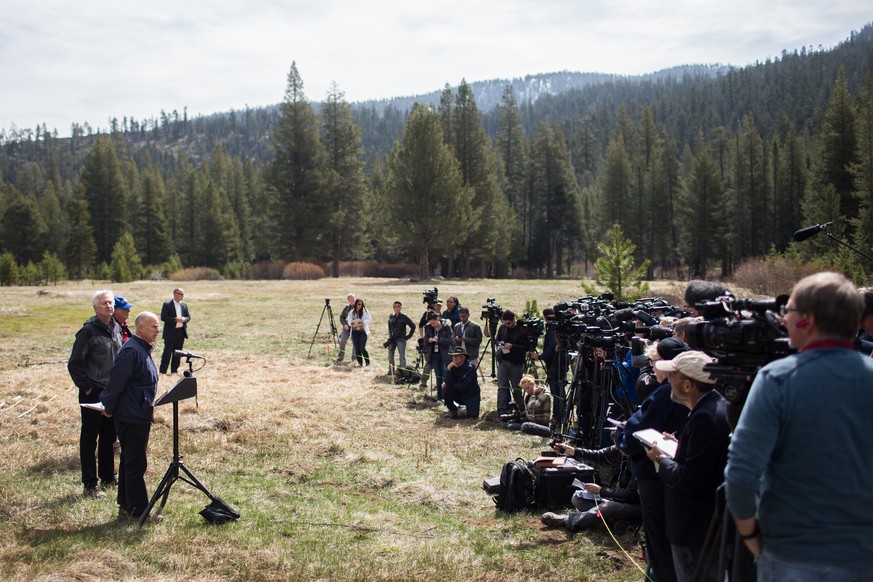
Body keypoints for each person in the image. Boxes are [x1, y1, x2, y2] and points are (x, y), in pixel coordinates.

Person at [725, 272, 873, 579]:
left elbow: (740, 472)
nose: (784, 319)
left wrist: (750, 537)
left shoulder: (777, 379)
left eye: (788, 311)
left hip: (792, 555)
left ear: (807, 320)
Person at [649, 350, 730, 582]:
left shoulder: (704, 418)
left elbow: (691, 479)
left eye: (673, 376)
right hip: (709, 527)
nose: (668, 381)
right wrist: (680, 446)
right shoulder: (717, 406)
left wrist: (661, 459)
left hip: (695, 530)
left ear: (687, 385)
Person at [617, 338, 690, 582]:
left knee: (659, 539)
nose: (650, 368)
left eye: (654, 362)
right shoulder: (682, 392)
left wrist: (621, 433)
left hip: (655, 474)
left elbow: (632, 436)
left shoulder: (664, 395)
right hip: (674, 473)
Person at [101, 311, 162, 523]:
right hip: (131, 416)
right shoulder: (131, 351)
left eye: (158, 326)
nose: (158, 330)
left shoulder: (141, 349)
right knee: (136, 464)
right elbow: (116, 381)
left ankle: (126, 507)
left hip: (138, 413)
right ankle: (138, 511)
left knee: (129, 461)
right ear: (141, 327)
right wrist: (108, 405)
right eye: (154, 326)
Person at [68, 289, 122, 498]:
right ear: (95, 307)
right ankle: (90, 484)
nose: (108, 306)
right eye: (103, 304)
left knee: (109, 437)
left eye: (110, 303)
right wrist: (88, 387)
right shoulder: (88, 331)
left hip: (111, 392)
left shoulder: (116, 327)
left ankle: (108, 477)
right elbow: (75, 364)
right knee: (90, 439)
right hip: (93, 392)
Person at [541, 444, 641, 534]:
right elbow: (599, 456)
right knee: (577, 498)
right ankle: (610, 520)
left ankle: (569, 520)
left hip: (635, 508)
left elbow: (631, 495)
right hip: (617, 500)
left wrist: (602, 491)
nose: (616, 447)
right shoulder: (621, 450)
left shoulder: (642, 463)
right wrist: (573, 451)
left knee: (605, 509)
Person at [494, 310, 528, 419]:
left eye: (508, 323)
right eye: (504, 323)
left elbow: (526, 347)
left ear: (514, 319)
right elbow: (496, 339)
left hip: (517, 362)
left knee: (517, 387)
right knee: (502, 386)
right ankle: (502, 410)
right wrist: (501, 344)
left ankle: (521, 410)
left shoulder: (522, 329)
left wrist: (512, 346)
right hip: (504, 360)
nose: (506, 325)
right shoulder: (503, 328)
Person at [442, 347, 480, 419]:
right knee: (445, 387)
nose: (454, 358)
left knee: (472, 417)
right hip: (458, 395)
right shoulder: (452, 367)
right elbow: (447, 383)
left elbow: (464, 386)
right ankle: (453, 410)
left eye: (457, 356)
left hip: (471, 397)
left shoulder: (470, 369)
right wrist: (449, 370)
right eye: (453, 356)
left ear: (463, 358)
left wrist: (451, 384)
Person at [159, 288, 190, 375]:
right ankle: (163, 370)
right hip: (170, 332)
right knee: (167, 352)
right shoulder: (167, 304)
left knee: (178, 352)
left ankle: (174, 370)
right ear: (174, 294)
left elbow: (188, 317)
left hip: (181, 332)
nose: (181, 295)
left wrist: (184, 319)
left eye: (182, 294)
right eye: (179, 293)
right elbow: (163, 317)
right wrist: (175, 319)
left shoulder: (184, 305)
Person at [423, 312, 454, 399]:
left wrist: (439, 339)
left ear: (437, 319)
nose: (432, 325)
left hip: (445, 354)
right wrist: (428, 340)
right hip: (434, 354)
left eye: (434, 323)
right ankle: (440, 396)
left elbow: (451, 340)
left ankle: (447, 395)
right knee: (438, 375)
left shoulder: (446, 326)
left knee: (445, 375)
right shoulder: (428, 327)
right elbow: (425, 341)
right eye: (431, 323)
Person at [386, 301, 416, 376]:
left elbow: (413, 326)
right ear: (393, 308)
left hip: (401, 339)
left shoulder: (404, 316)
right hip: (392, 339)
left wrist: (408, 336)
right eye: (395, 306)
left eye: (398, 306)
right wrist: (390, 336)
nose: (397, 308)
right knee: (390, 355)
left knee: (402, 356)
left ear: (401, 308)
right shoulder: (391, 316)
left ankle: (402, 372)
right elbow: (390, 326)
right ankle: (391, 371)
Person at [346, 298, 372, 367]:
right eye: (359, 304)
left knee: (362, 348)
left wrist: (363, 322)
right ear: (356, 304)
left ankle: (367, 363)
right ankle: (360, 363)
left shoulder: (365, 311)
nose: (360, 306)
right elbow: (349, 321)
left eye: (361, 304)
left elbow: (369, 319)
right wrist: (352, 323)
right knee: (357, 349)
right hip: (354, 332)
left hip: (362, 332)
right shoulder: (352, 312)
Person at [335, 293, 356, 364]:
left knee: (355, 343)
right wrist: (344, 324)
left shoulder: (359, 307)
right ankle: (340, 358)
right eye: (350, 299)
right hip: (346, 327)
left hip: (355, 328)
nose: (352, 300)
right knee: (342, 341)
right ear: (348, 300)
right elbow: (341, 317)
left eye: (353, 298)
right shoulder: (346, 308)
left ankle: (354, 359)